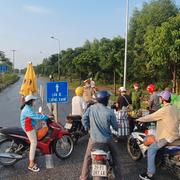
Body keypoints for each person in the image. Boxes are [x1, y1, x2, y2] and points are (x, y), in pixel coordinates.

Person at [136, 91, 179, 180]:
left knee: (151, 149)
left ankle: (149, 174)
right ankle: (160, 161)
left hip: (167, 136)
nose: (159, 99)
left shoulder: (163, 110)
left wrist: (139, 119)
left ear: (163, 99)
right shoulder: (175, 107)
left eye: (160, 98)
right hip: (175, 134)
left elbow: (151, 117)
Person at [80, 90, 122, 180]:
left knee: (87, 158)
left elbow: (84, 119)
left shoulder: (91, 108)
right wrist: (118, 126)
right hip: (107, 140)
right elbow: (115, 127)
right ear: (105, 100)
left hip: (94, 139)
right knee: (116, 157)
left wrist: (88, 128)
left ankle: (83, 177)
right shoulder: (110, 112)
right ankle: (119, 177)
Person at [20, 94, 52, 172]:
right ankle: (31, 164)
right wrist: (47, 117)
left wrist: (39, 113)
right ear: (31, 101)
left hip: (30, 125)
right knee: (34, 142)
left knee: (35, 137)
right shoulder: (27, 109)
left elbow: (34, 114)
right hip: (28, 127)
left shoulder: (29, 107)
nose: (35, 101)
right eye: (34, 100)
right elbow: (36, 117)